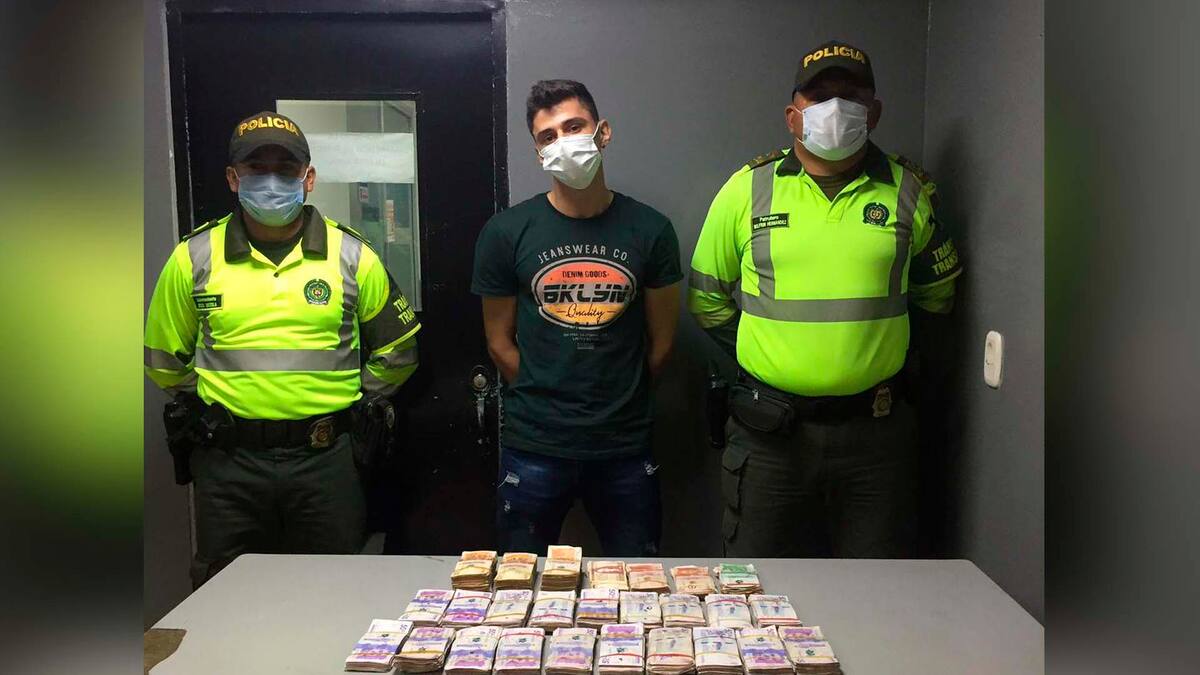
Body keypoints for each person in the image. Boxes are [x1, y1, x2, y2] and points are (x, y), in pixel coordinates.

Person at [688, 41, 963, 558]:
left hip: (875, 437)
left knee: (876, 585)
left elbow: (936, 296)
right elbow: (706, 298)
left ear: (874, 112)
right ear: (792, 116)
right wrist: (765, 350)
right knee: (755, 586)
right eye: (819, 97)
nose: (836, 108)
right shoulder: (746, 190)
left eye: (851, 95)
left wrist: (886, 357)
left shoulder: (908, 191)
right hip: (768, 434)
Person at [145, 111, 421, 586]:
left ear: (308, 178)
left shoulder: (353, 256)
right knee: (227, 592)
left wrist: (346, 396)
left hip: (325, 461)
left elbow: (399, 351)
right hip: (229, 463)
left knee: (334, 588)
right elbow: (163, 359)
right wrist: (218, 400)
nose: (271, 180)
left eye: (286, 168)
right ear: (233, 178)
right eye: (256, 168)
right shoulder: (193, 257)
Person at [472, 80, 682, 556]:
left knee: (638, 584)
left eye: (574, 127)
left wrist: (618, 397)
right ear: (538, 153)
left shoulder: (651, 229)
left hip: (624, 445)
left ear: (602, 133)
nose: (563, 142)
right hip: (535, 443)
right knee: (519, 582)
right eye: (548, 136)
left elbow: (663, 341)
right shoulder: (506, 232)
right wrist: (546, 392)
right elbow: (499, 342)